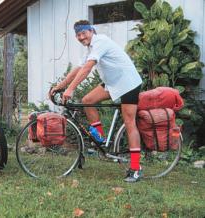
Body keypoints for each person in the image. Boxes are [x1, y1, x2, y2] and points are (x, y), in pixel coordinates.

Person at [49, 20, 143, 182]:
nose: (81, 37)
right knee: (88, 100)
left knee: (129, 122)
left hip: (128, 82)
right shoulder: (89, 47)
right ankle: (100, 138)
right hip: (112, 83)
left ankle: (135, 168)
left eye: (83, 33)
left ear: (91, 31)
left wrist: (70, 89)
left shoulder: (100, 41)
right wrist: (59, 86)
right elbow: (78, 68)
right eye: (78, 35)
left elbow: (87, 68)